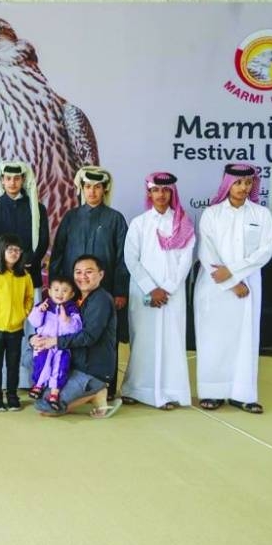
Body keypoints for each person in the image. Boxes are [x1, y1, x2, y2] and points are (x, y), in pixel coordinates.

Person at [193, 164, 272, 414]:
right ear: (228, 183)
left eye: (248, 183)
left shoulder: (261, 214)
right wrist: (232, 282)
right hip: (215, 288)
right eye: (238, 183)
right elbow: (207, 254)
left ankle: (243, 394)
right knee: (214, 341)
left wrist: (236, 272)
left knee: (245, 340)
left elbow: (265, 250)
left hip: (248, 287)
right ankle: (212, 392)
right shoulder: (212, 213)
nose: (243, 188)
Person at [49, 165, 129, 397]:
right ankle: (70, 385)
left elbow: (123, 258)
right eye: (88, 187)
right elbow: (58, 255)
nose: (92, 191)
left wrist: (120, 291)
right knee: (72, 335)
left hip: (105, 293)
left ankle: (106, 390)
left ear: (104, 190)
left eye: (97, 187)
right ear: (81, 189)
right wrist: (56, 291)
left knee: (104, 338)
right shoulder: (71, 217)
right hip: (72, 294)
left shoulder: (115, 219)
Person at [121, 172, 195, 409]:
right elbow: (131, 259)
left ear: (171, 193)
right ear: (149, 193)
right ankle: (136, 389)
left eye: (165, 190)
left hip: (172, 295)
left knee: (171, 341)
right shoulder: (139, 223)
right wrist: (152, 289)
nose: (160, 195)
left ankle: (169, 392)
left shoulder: (183, 223)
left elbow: (186, 260)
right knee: (143, 339)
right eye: (156, 190)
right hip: (144, 292)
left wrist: (168, 289)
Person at [0, 161, 49, 392]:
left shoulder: (37, 208)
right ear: (1, 180)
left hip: (29, 278)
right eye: (8, 179)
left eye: (17, 178)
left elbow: (43, 242)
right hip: (1, 280)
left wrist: (25, 261)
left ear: (23, 180)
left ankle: (31, 380)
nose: (12, 183)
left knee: (31, 328)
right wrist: (6, 264)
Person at [31, 255, 123, 419]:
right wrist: (35, 339)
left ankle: (97, 391)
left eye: (89, 272)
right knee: (30, 357)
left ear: (101, 275)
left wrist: (55, 342)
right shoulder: (74, 299)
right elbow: (51, 326)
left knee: (46, 407)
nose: (83, 277)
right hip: (75, 362)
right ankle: (86, 393)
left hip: (92, 369)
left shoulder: (101, 300)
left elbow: (89, 337)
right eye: (78, 272)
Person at [0, 234, 34, 411]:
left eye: (17, 250)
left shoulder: (24, 276)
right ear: (1, 250)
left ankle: (12, 395)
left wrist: (23, 313)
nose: (14, 253)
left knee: (13, 365)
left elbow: (29, 298)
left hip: (16, 330)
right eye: (10, 249)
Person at [26, 276, 83, 407]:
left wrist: (66, 319)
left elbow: (76, 328)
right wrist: (39, 311)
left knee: (60, 367)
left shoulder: (72, 309)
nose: (60, 294)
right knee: (42, 364)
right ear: (50, 291)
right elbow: (34, 322)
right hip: (44, 344)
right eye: (56, 290)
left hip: (62, 347)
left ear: (72, 294)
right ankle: (38, 385)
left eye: (64, 291)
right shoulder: (44, 305)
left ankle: (54, 393)